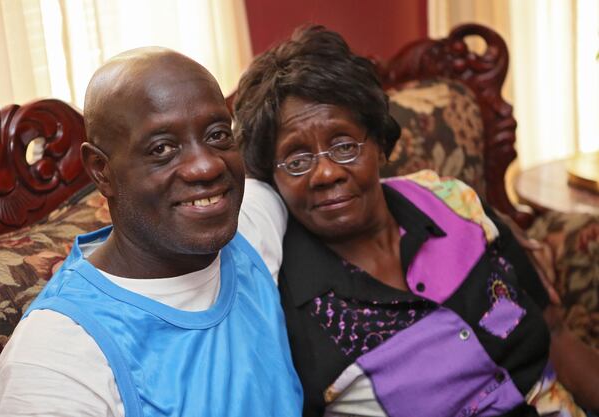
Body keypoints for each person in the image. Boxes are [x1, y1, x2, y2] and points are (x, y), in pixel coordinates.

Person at [233, 26, 599, 417]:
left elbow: (557, 335)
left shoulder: (456, 204)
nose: (325, 173)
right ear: (272, 179)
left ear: (377, 143)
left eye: (343, 145)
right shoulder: (283, 302)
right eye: (297, 160)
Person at [0, 48, 302, 417]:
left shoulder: (253, 228)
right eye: (162, 148)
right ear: (100, 171)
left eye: (218, 135)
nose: (206, 166)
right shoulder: (58, 358)